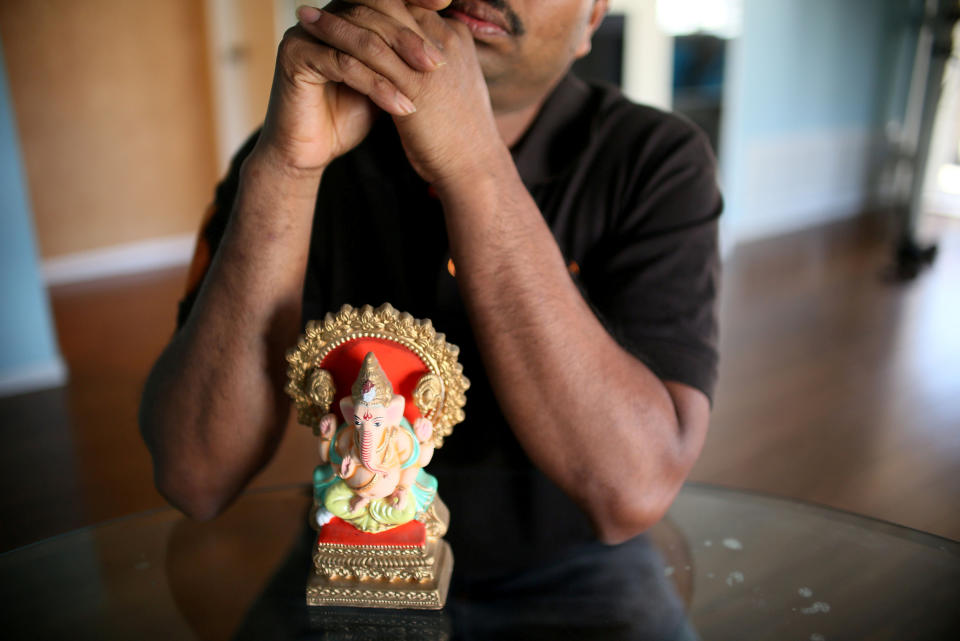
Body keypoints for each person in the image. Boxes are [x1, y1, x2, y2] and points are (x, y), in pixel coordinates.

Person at [139, 0, 720, 583]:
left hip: (580, 567)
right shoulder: (301, 136)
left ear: (592, 19)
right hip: (357, 549)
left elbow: (632, 493)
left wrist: (473, 164)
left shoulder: (658, 159)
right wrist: (287, 170)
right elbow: (196, 478)